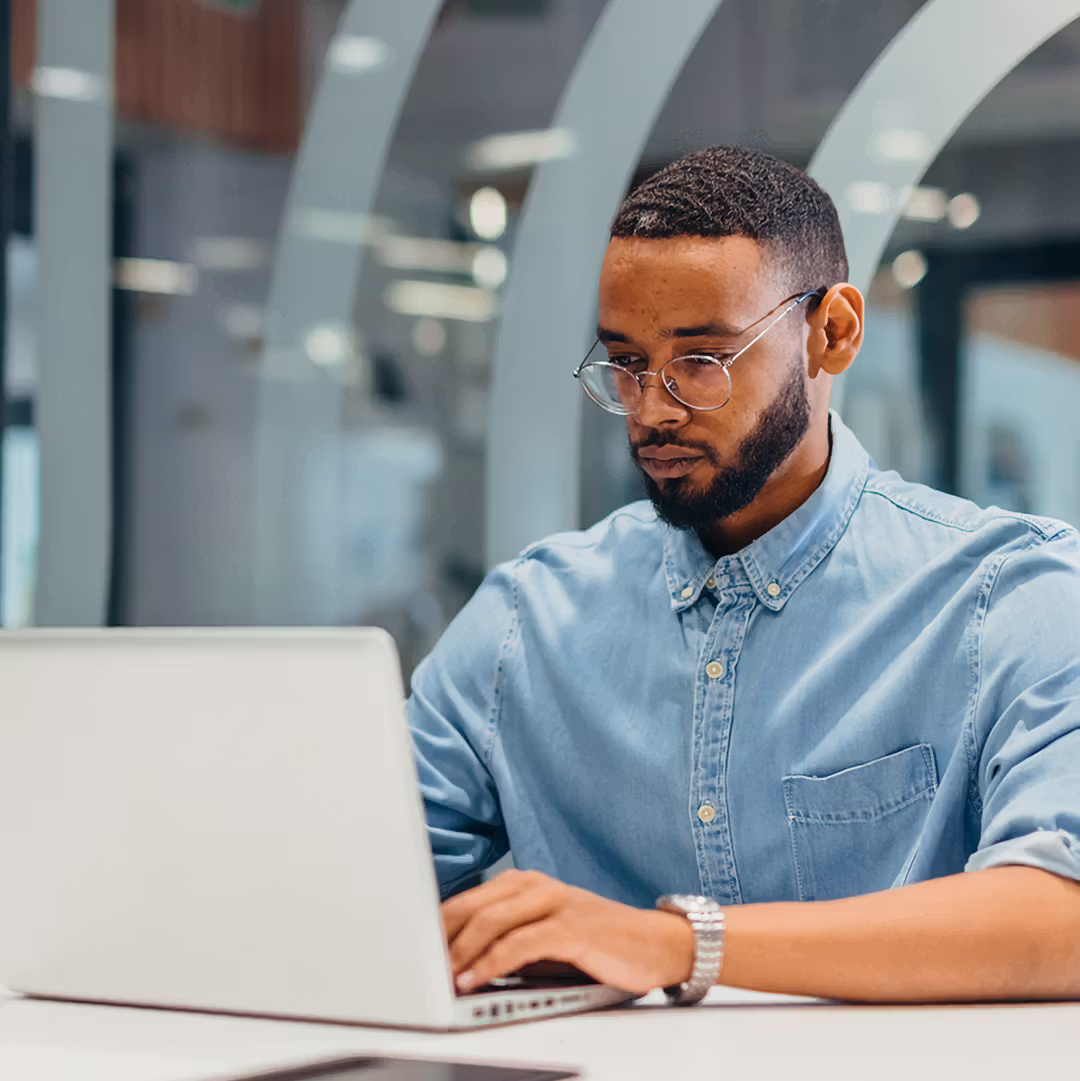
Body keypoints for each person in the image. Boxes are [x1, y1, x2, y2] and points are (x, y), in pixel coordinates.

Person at [408, 146, 1080, 1003]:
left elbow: (1063, 916)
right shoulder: (523, 623)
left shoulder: (1010, 596)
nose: (651, 409)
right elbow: (351, 886)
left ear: (831, 332)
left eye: (701, 362)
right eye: (625, 361)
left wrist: (676, 944)